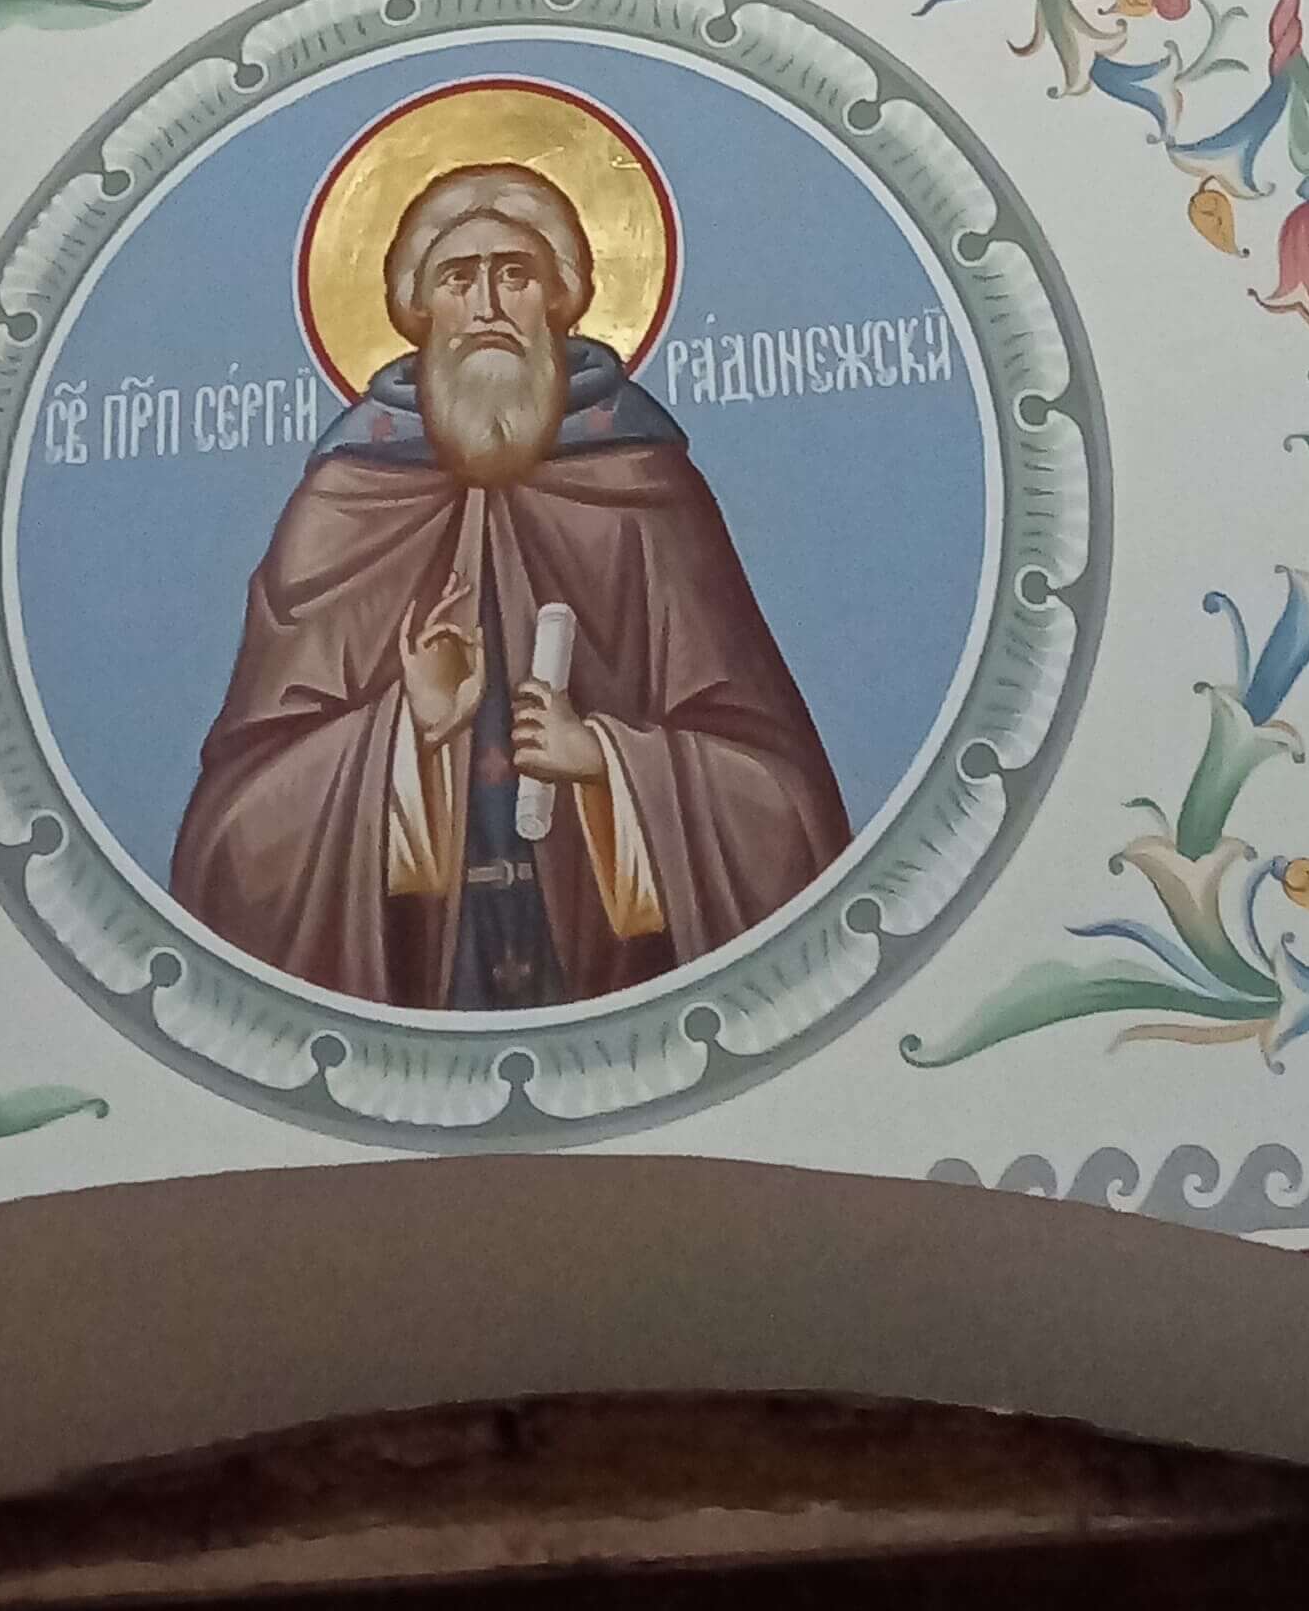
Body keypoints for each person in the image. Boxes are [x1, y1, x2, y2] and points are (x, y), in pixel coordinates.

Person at [171, 158, 848, 1010]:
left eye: (516, 275)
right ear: (420, 310)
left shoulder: (645, 492)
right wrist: (406, 736)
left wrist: (603, 760)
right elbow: (229, 838)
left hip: (621, 981)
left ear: (561, 301)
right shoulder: (344, 504)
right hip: (418, 982)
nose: (487, 305)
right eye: (459, 278)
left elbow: (785, 802)